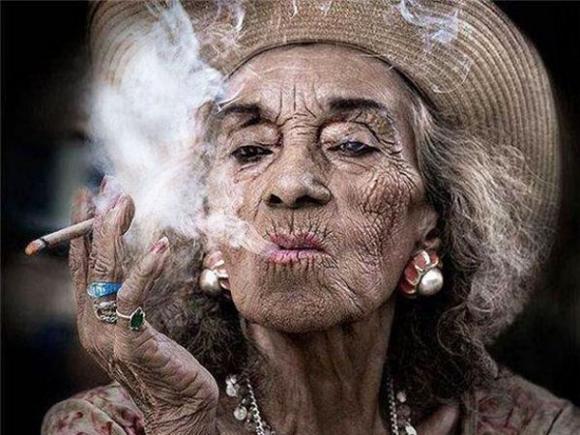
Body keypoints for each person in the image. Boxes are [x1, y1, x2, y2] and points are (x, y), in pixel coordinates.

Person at [42, 1, 579, 434]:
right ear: (207, 231)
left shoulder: (538, 426)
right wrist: (181, 423)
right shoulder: (106, 426)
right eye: (251, 150)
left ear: (431, 225)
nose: (292, 183)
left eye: (352, 144)